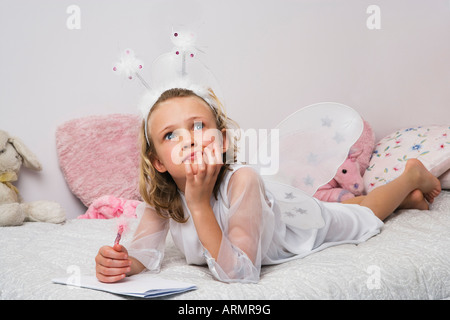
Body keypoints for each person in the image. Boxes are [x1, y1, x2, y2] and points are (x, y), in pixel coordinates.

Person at [95, 88, 441, 283]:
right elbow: (143, 254)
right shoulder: (163, 198)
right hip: (269, 207)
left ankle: (411, 175)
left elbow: (242, 273)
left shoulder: (242, 180)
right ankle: (407, 199)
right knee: (351, 206)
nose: (188, 139)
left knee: (362, 210)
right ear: (158, 162)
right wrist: (120, 262)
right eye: (170, 134)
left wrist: (199, 205)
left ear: (224, 140)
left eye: (198, 126)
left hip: (292, 222)